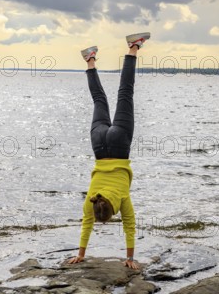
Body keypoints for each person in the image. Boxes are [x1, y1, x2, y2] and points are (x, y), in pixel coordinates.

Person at [67, 32, 151, 270]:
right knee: (99, 100)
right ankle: (90, 59)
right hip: (99, 143)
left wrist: (130, 259)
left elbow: (130, 226)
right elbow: (86, 223)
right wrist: (80, 252)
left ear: (112, 209)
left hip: (120, 143)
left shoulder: (121, 199)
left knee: (126, 92)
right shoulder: (90, 199)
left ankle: (133, 47)